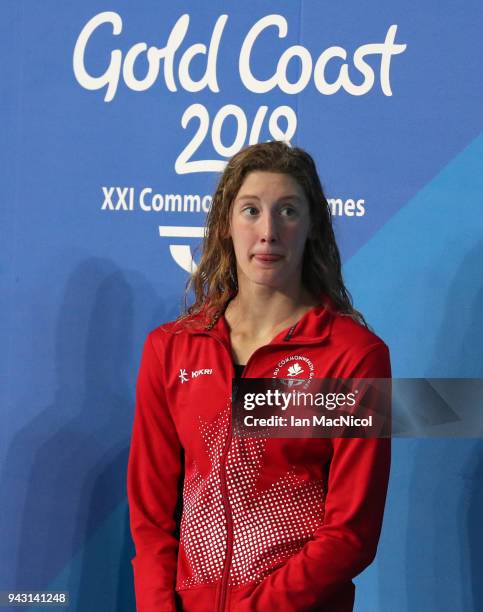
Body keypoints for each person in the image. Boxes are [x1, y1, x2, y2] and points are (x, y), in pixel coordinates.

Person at [127, 140, 391, 612]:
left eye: (287, 211)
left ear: (312, 227)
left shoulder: (354, 357)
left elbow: (351, 532)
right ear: (226, 225)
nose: (268, 231)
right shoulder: (170, 348)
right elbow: (151, 516)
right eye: (251, 211)